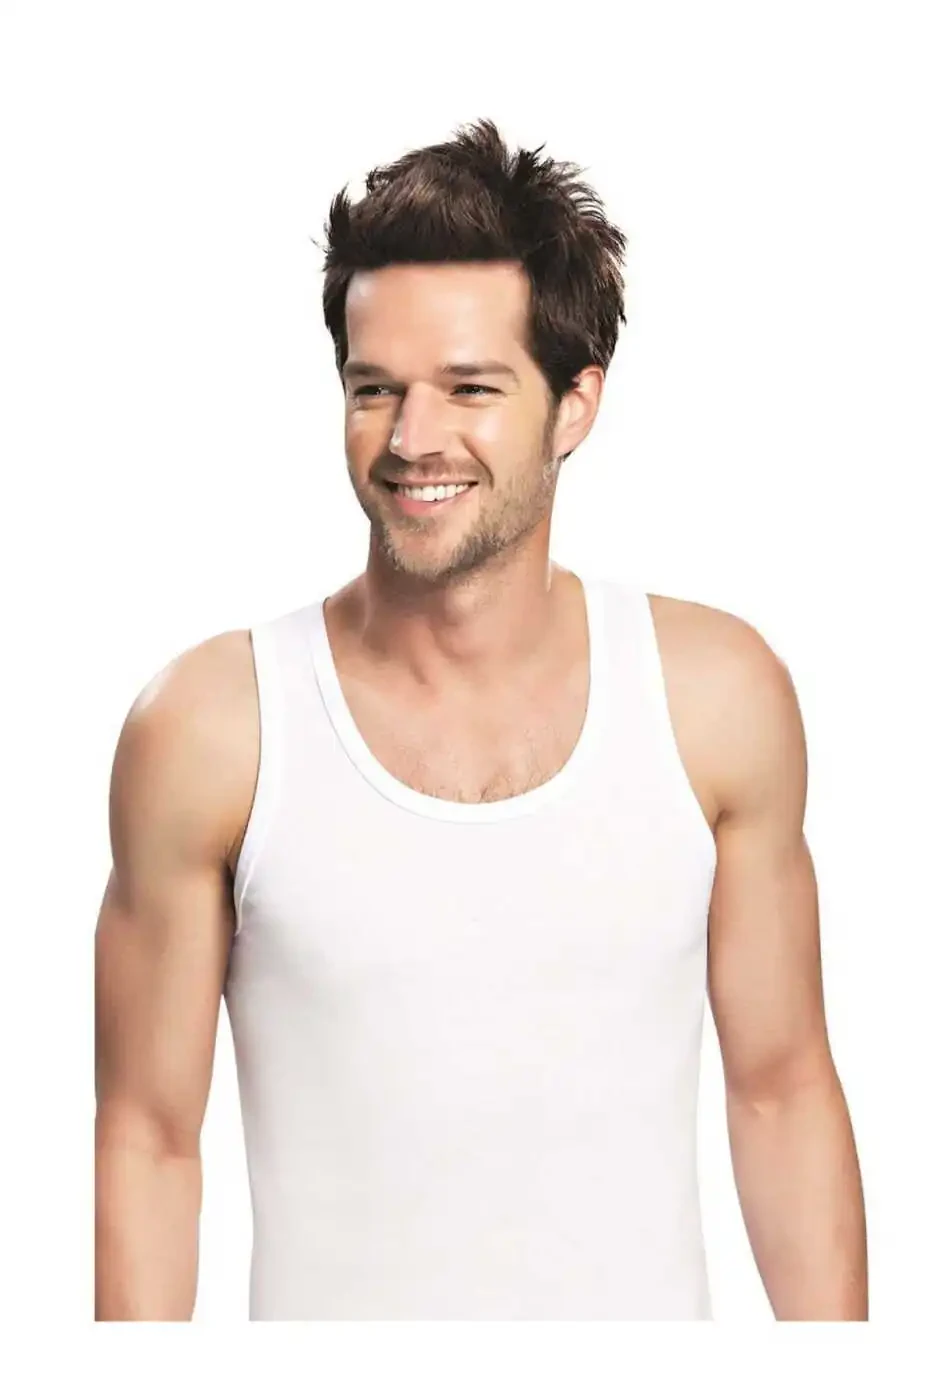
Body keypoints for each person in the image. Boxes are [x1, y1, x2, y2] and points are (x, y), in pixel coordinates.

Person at [94, 117, 868, 1321]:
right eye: (376, 389)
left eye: (470, 388)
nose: (412, 440)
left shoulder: (715, 697)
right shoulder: (212, 728)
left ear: (575, 404)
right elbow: (148, 1135)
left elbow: (781, 1088)